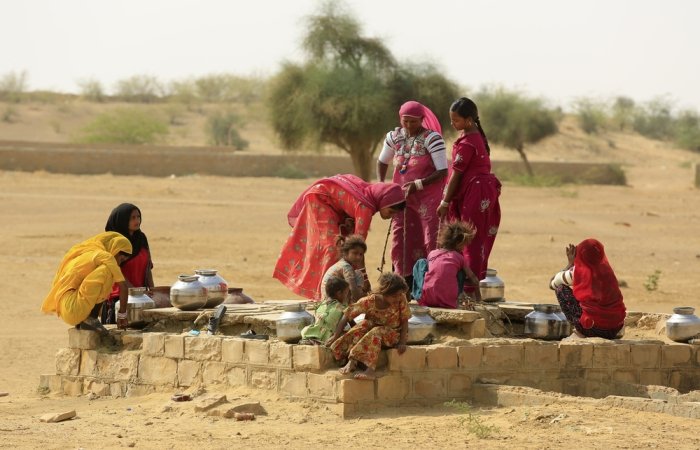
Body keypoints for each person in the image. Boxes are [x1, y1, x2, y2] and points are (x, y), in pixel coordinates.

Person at [273, 174, 405, 300]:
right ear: (383, 201)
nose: (391, 216)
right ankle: (326, 297)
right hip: (320, 199)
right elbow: (356, 247)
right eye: (391, 211)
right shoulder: (365, 208)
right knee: (333, 249)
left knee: (344, 246)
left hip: (332, 205)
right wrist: (364, 279)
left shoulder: (368, 196)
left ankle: (341, 293)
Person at [377, 100, 448, 283]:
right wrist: (381, 185)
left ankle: (431, 281)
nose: (409, 125)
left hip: (427, 198)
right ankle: (402, 282)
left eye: (414, 121)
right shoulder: (393, 137)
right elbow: (382, 161)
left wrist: (419, 184)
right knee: (400, 236)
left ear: (422, 119)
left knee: (429, 237)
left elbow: (442, 171)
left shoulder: (432, 139)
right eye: (405, 121)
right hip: (402, 198)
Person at [437, 97, 501, 284]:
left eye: (456, 120)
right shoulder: (475, 137)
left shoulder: (467, 143)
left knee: (467, 240)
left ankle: (467, 287)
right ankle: (469, 285)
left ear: (469, 120)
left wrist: (445, 202)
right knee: (475, 240)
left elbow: (456, 175)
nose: (452, 123)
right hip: (481, 193)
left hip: (474, 195)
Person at [326, 272, 410, 380]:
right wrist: (335, 336)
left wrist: (402, 342)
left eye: (400, 294)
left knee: (377, 330)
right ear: (384, 293)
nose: (398, 298)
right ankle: (351, 360)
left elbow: (405, 321)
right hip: (373, 333)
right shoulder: (370, 301)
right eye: (394, 296)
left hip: (394, 334)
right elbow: (347, 314)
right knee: (365, 324)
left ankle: (370, 370)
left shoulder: (401, 299)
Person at [41, 232, 132, 331]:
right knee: (108, 272)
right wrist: (122, 315)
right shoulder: (106, 257)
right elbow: (123, 286)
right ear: (115, 249)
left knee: (106, 272)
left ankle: (84, 320)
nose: (119, 263)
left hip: (68, 308)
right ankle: (91, 319)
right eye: (120, 258)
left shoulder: (92, 253)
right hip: (73, 308)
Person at [550, 239, 626, 339]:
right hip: (615, 328)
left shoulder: (577, 273)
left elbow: (552, 284)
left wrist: (570, 264)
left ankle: (581, 331)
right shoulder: (608, 272)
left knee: (560, 289)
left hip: (592, 328)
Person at [101, 203, 154, 323]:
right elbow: (116, 272)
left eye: (138, 217)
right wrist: (135, 291)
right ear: (122, 220)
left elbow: (147, 268)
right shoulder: (114, 242)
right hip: (119, 300)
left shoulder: (141, 238)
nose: (137, 221)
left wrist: (153, 291)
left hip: (141, 299)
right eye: (132, 218)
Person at [416, 221, 482, 309]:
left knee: (421, 263)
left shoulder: (432, 253)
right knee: (461, 271)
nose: (464, 248)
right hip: (447, 300)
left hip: (429, 299)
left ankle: (419, 296)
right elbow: (474, 279)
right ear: (459, 243)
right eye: (464, 245)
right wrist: (479, 298)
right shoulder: (458, 257)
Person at [319, 235, 371, 304]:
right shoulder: (346, 267)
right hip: (333, 303)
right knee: (358, 274)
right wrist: (365, 298)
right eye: (355, 253)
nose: (358, 257)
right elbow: (353, 290)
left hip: (327, 301)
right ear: (345, 253)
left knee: (357, 274)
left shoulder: (341, 264)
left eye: (361, 254)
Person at [300, 277, 351, 344]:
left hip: (310, 334)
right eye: (346, 293)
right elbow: (348, 319)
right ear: (339, 293)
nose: (346, 296)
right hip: (327, 339)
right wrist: (336, 336)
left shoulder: (320, 305)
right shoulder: (342, 307)